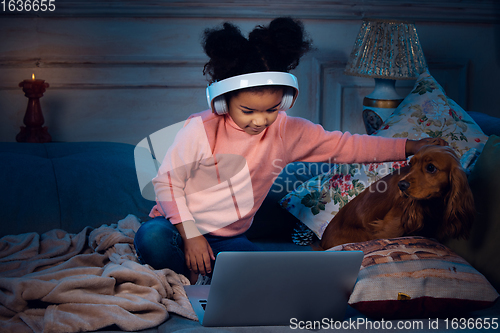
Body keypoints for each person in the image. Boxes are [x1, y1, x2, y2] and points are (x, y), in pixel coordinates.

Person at [134, 17, 446, 284]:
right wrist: (191, 236)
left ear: (284, 100)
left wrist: (410, 146)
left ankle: (207, 274)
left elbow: (347, 145)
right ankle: (188, 273)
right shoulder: (199, 129)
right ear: (222, 100)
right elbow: (166, 183)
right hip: (177, 225)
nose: (260, 121)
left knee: (265, 274)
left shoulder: (287, 131)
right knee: (152, 239)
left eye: (271, 109)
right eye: (248, 111)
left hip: (228, 238)